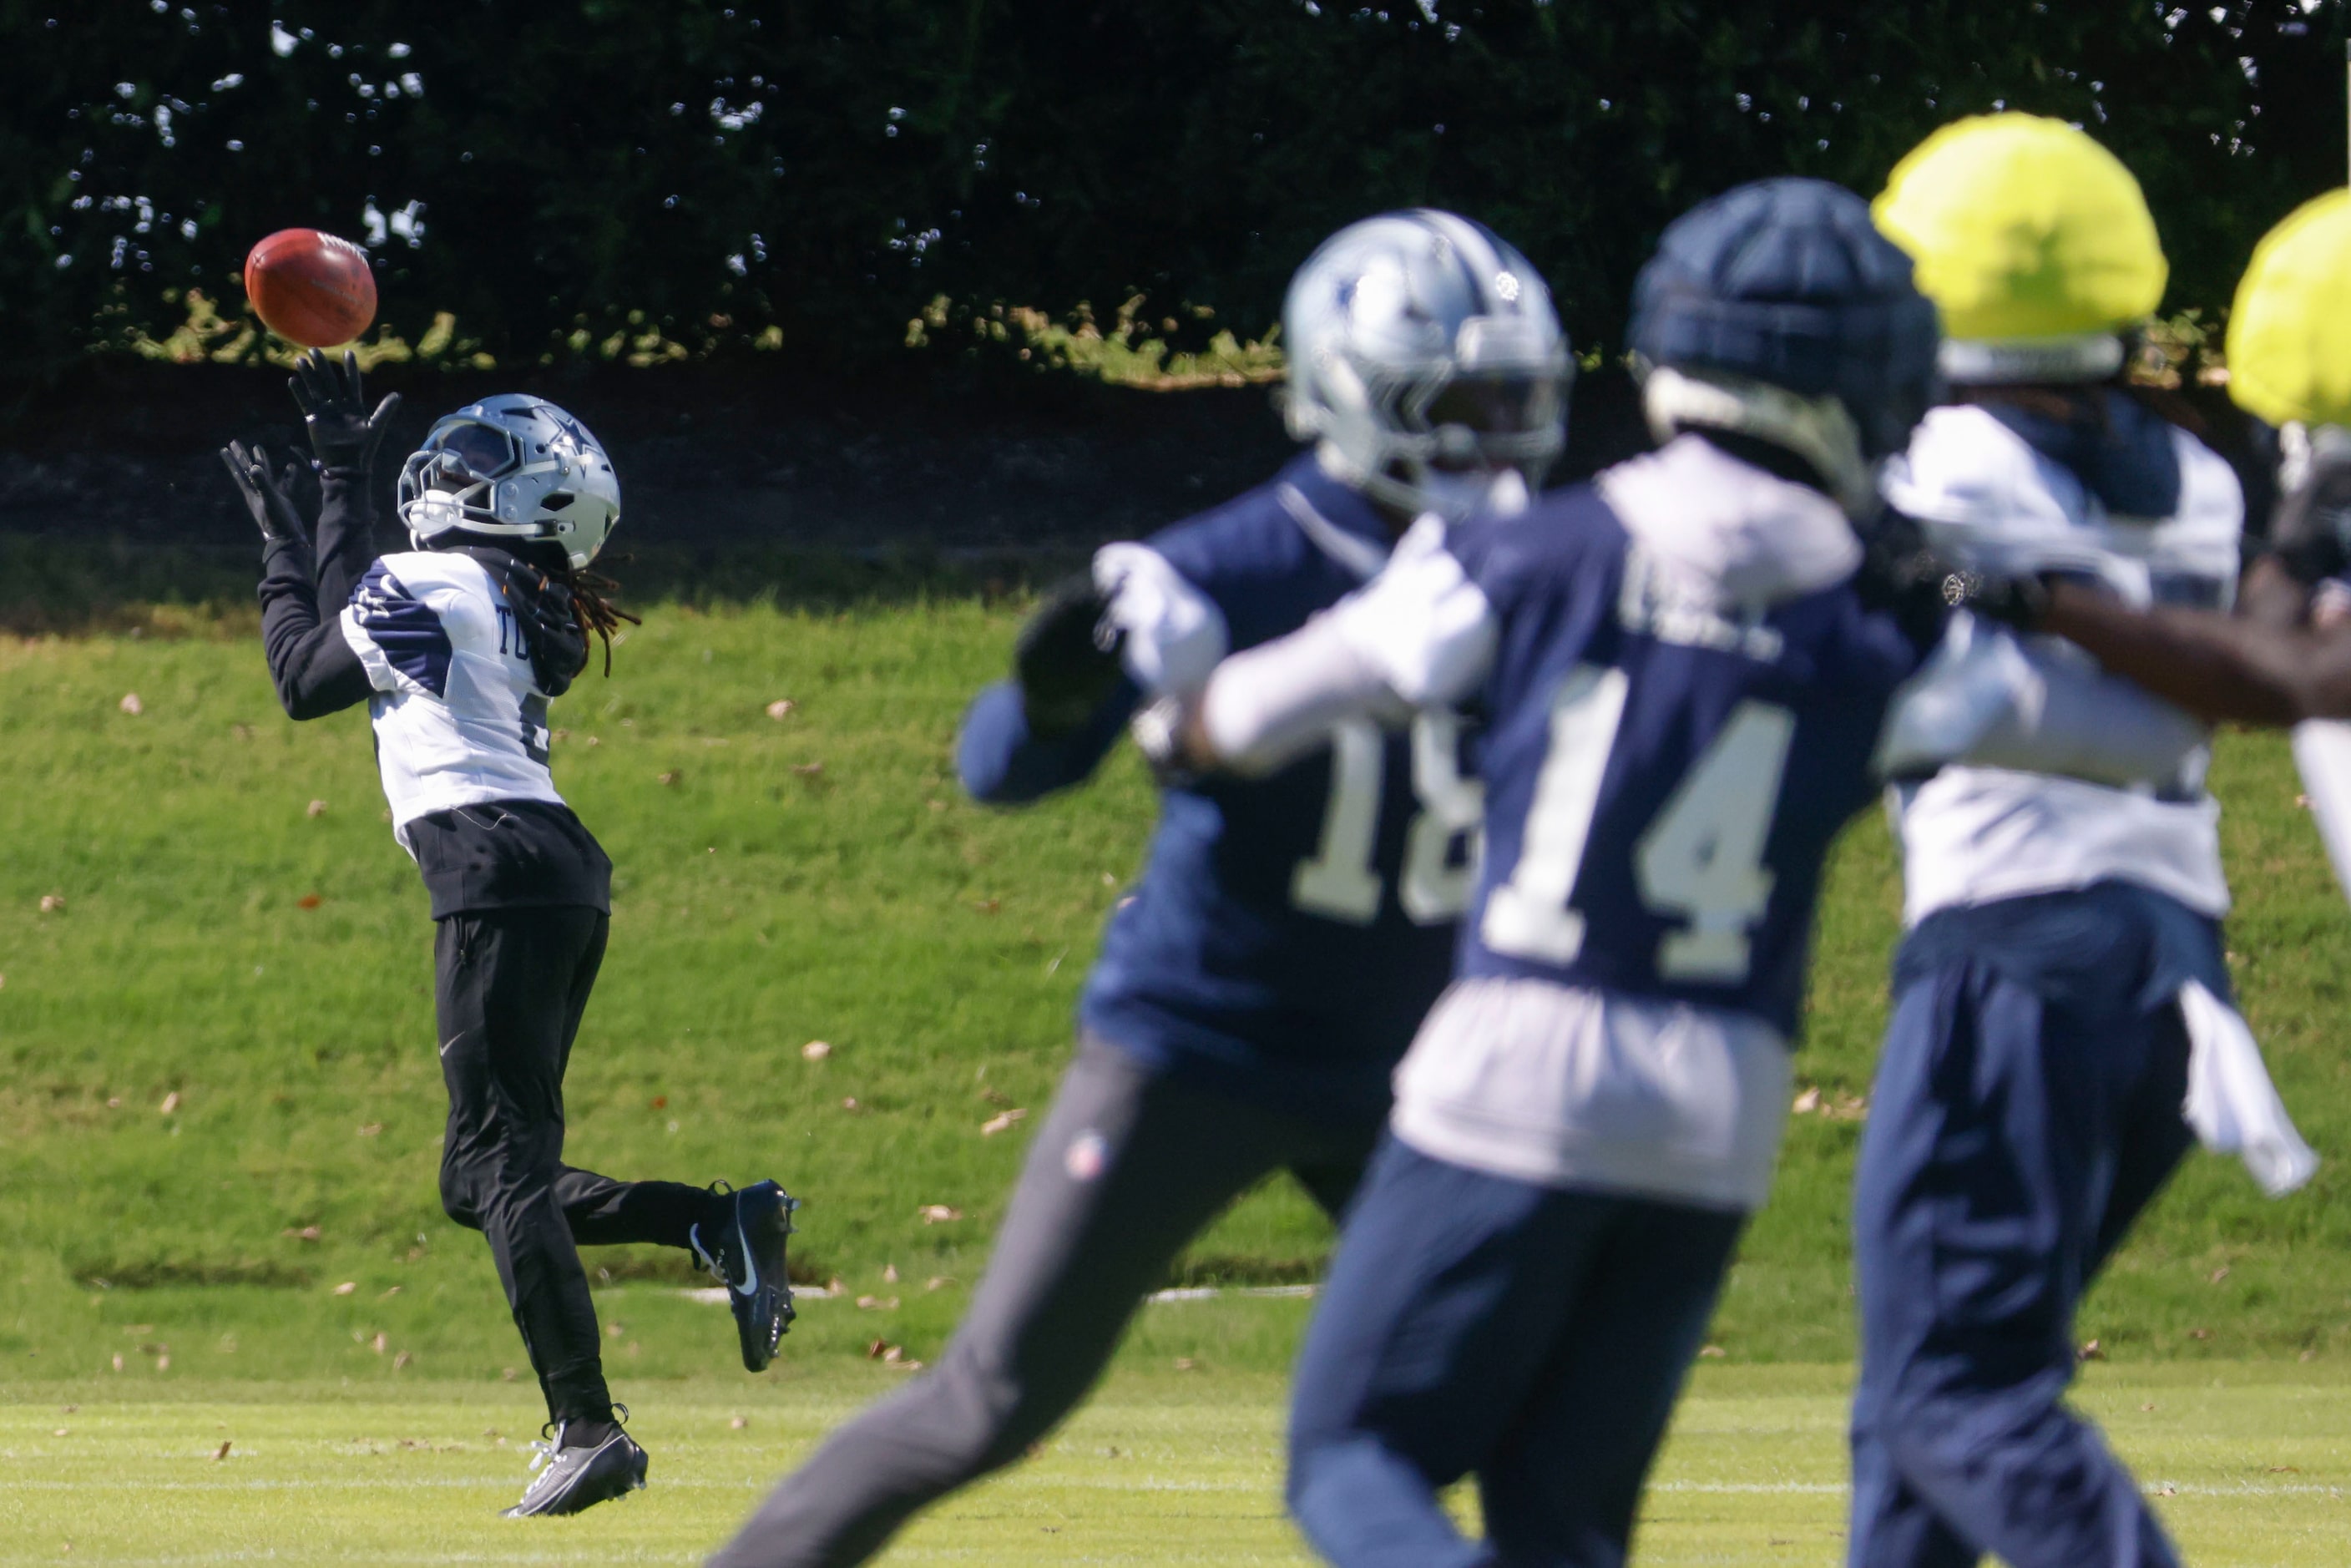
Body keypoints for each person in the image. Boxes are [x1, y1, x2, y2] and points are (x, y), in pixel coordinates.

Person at [705, 210, 1570, 1568]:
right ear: (1356, 394)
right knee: (990, 1398)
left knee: (1539, 1399)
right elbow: (999, 772)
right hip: (1199, 1044)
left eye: (1516, 403)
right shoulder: (1235, 566)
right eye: (1457, 404)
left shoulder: (1557, 566)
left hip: (1419, 1064)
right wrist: (1051, 699)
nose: (1492, 440)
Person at [1176, 176, 1950, 1568]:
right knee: (1566, 1519)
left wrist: (1170, 707)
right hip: (1723, 1098)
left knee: (1352, 1457)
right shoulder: (1893, 614)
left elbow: (1246, 715)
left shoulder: (1538, 551)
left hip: (1522, 1058)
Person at [1846, 114, 2314, 1568]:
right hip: (2169, 955)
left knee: (1954, 1392)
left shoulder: (1947, 465)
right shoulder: (2201, 478)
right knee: (1915, 1401)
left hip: (2013, 945)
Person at [219, 357, 799, 1519]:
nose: (453, 471)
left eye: (483, 462)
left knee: (506, 1166)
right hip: (549, 870)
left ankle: (587, 1425)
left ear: (523, 498)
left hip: (495, 871)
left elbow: (304, 670)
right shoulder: (511, 598)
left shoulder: (433, 580)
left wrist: (289, 543)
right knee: (478, 1175)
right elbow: (361, 617)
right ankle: (714, 1218)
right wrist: (341, 474)